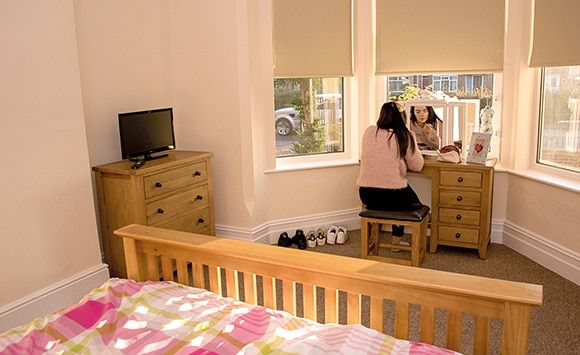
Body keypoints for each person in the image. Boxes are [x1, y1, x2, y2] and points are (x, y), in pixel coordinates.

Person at [356, 102, 425, 249]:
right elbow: (417, 166)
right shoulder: (404, 136)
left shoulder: (369, 131)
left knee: (401, 196)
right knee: (413, 204)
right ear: (402, 118)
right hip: (393, 196)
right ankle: (397, 242)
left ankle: (373, 240)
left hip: (367, 194)